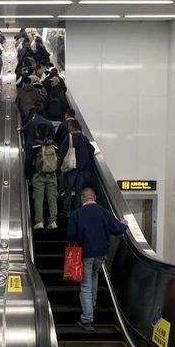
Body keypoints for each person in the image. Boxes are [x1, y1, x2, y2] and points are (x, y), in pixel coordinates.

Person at [67, 187, 127, 331]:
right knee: (94, 277)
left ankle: (87, 319)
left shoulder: (77, 214)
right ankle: (92, 305)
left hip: (86, 253)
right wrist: (124, 224)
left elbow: (71, 235)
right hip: (101, 254)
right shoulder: (104, 212)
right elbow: (117, 229)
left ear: (82, 198)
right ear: (94, 197)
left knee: (85, 285)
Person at [60, 119, 94, 216]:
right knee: (79, 192)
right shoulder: (84, 138)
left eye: (69, 126)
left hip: (71, 169)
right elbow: (92, 150)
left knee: (68, 191)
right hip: (83, 170)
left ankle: (67, 211)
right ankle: (77, 211)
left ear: (71, 127)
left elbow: (62, 152)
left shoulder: (69, 137)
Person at [30, 126, 60, 230]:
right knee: (52, 200)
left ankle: (39, 222)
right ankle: (53, 221)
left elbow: (29, 160)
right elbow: (58, 158)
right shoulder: (54, 145)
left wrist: (29, 175)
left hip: (39, 176)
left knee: (38, 200)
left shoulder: (35, 145)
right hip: (52, 176)